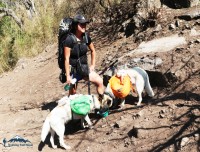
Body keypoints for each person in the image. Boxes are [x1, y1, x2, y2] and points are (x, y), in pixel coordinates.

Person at [63, 14, 104, 99]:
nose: (84, 26)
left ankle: (101, 107)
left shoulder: (86, 37)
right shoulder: (69, 39)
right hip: (73, 71)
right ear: (75, 25)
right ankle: (70, 109)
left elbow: (93, 50)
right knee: (73, 93)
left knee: (99, 82)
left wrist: (92, 65)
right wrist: (67, 76)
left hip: (84, 68)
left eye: (85, 24)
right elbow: (66, 59)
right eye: (81, 24)